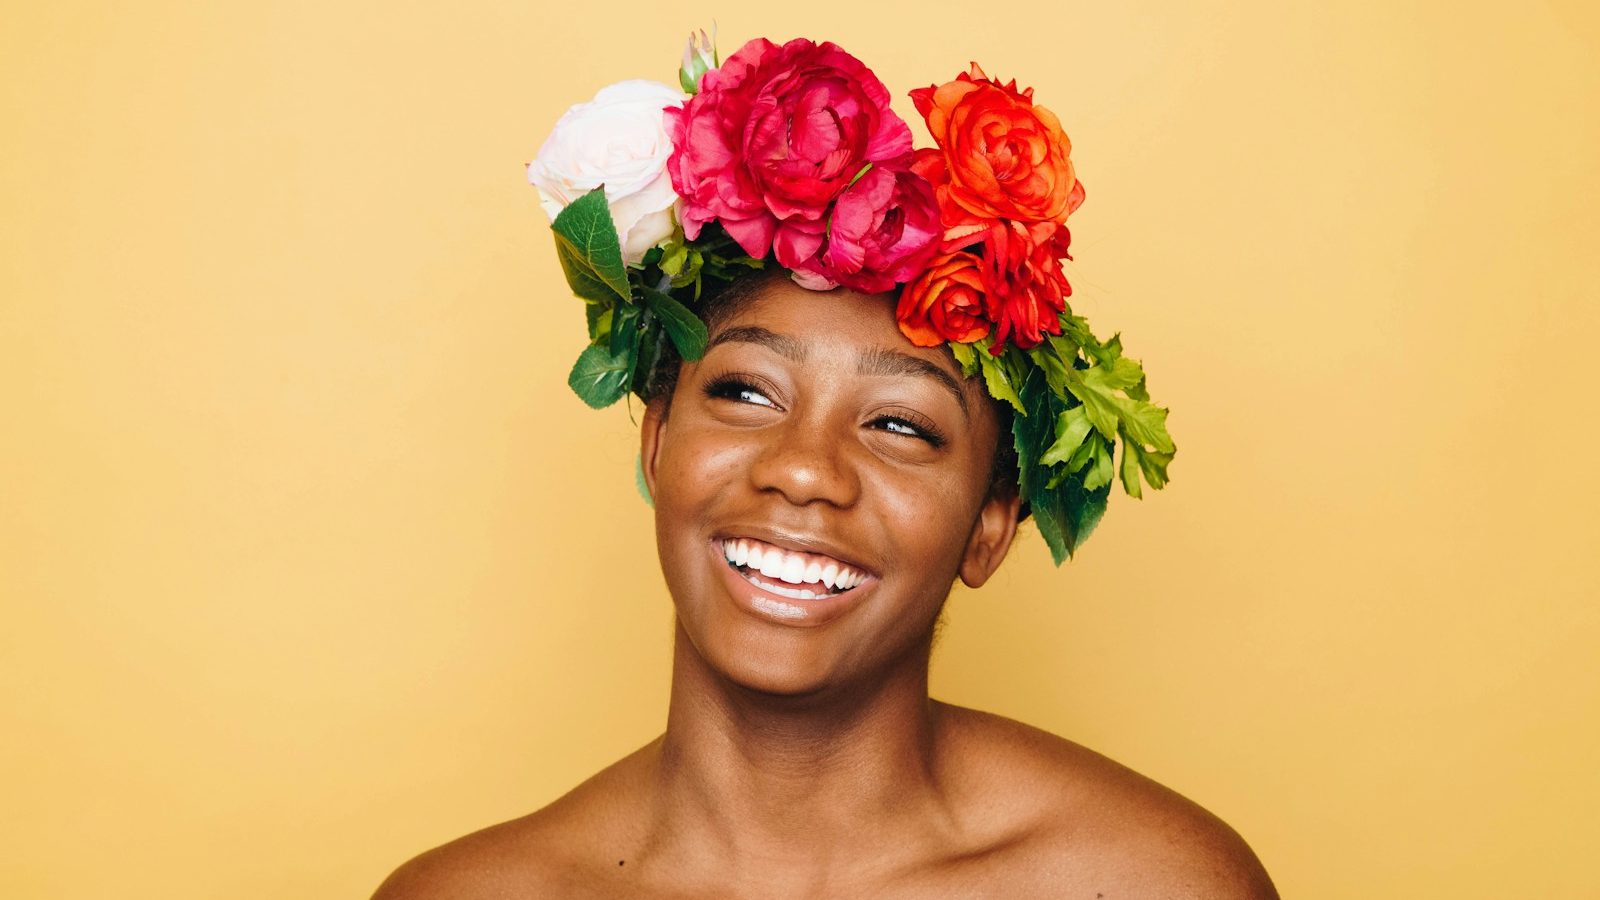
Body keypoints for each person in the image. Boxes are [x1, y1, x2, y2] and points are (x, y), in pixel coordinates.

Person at [374, 31, 1278, 898]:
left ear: (991, 526)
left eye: (901, 425)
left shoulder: (1154, 881)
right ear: (656, 441)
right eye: (747, 393)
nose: (804, 471)